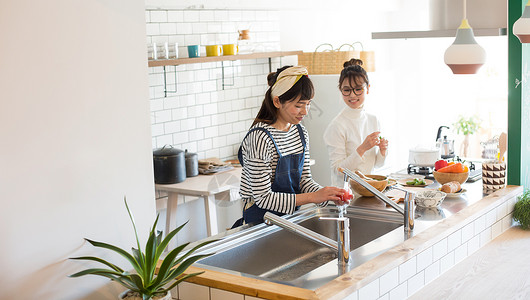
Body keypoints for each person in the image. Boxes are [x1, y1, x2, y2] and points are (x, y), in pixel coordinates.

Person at [235, 66, 349, 226]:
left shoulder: (300, 132)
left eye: (308, 104)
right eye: (298, 105)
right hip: (260, 223)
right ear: (277, 101)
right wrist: (313, 197)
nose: (305, 111)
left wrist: (328, 197)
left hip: (289, 220)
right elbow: (263, 198)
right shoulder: (259, 138)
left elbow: (304, 180)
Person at [323, 59, 389, 187]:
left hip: (369, 191)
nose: (352, 95)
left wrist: (383, 151)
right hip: (346, 196)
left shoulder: (373, 119)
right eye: (346, 90)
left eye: (358, 89)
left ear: (368, 89)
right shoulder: (337, 125)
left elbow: (377, 164)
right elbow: (338, 171)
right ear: (340, 90)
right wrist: (362, 149)